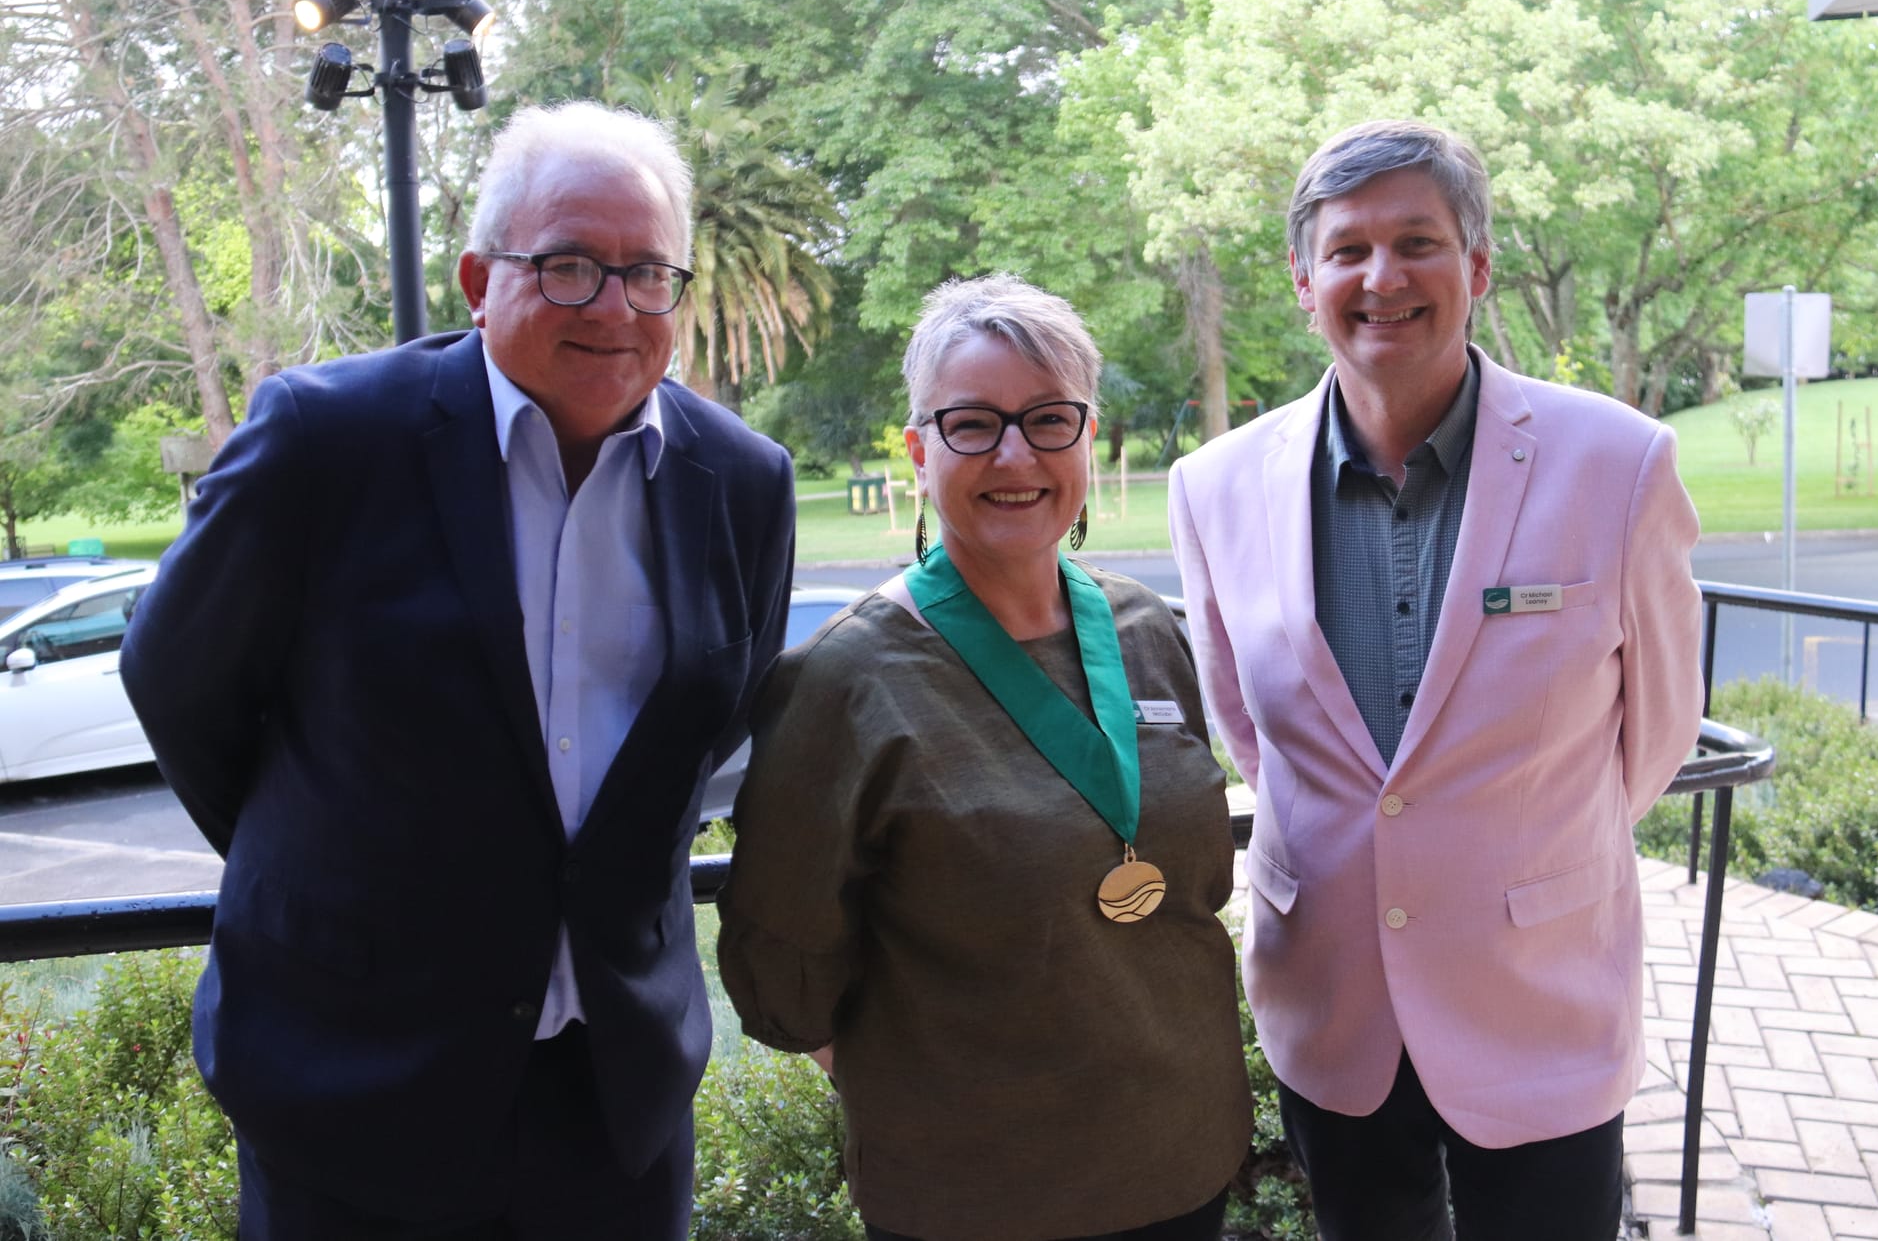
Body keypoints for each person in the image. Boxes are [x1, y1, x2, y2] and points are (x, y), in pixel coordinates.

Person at [120, 101, 796, 1238]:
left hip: (612, 1105)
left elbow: (714, 721)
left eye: (647, 274)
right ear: (482, 280)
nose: (614, 307)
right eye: (570, 265)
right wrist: (340, 862)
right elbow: (180, 683)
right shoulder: (325, 441)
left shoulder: (741, 481)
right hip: (351, 1087)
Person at [1167, 120, 1704, 1240]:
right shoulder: (1211, 486)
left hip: (1539, 995)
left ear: (1476, 267)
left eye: (1417, 241)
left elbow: (1653, 731)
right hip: (1330, 1004)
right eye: (1348, 247)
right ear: (1302, 275)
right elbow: (1251, 734)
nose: (1381, 277)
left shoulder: (1616, 463)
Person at [717, 274, 1250, 1241]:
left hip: (1182, 1159)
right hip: (978, 1194)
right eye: (973, 423)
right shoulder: (845, 680)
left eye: (1050, 419)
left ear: (1089, 438)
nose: (1016, 454)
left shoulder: (1142, 629)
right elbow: (786, 968)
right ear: (920, 449)